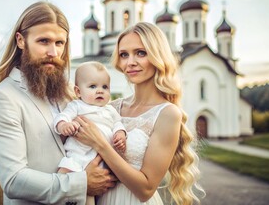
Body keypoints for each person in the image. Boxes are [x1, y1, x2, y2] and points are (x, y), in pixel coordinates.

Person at [0, 1, 116, 205]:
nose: (53, 52)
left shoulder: (69, 93)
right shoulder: (1, 98)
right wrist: (82, 183)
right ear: (21, 40)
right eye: (44, 41)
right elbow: (14, 180)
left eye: (59, 43)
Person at [74, 22, 204, 205]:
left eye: (140, 53)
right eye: (124, 55)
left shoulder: (167, 113)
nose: (130, 62)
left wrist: (101, 144)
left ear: (157, 56)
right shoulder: (112, 107)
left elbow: (146, 189)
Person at [54, 61, 127, 205]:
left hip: (101, 161)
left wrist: (120, 134)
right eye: (93, 86)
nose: (100, 91)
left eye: (105, 87)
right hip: (78, 155)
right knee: (65, 177)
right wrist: (64, 125)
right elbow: (62, 117)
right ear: (78, 92)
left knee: (91, 194)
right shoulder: (76, 106)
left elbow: (118, 123)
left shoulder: (110, 110)